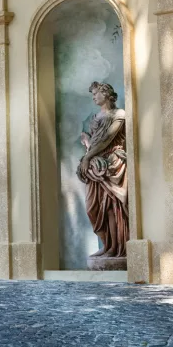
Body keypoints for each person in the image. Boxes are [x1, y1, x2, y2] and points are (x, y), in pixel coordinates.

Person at [76, 81, 129, 258]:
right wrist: (87, 143)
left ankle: (115, 248)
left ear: (106, 94)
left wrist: (88, 156)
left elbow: (107, 139)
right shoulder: (95, 118)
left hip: (112, 163)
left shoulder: (119, 114)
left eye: (96, 93)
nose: (93, 96)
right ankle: (107, 245)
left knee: (111, 207)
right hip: (95, 165)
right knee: (94, 207)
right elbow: (96, 144)